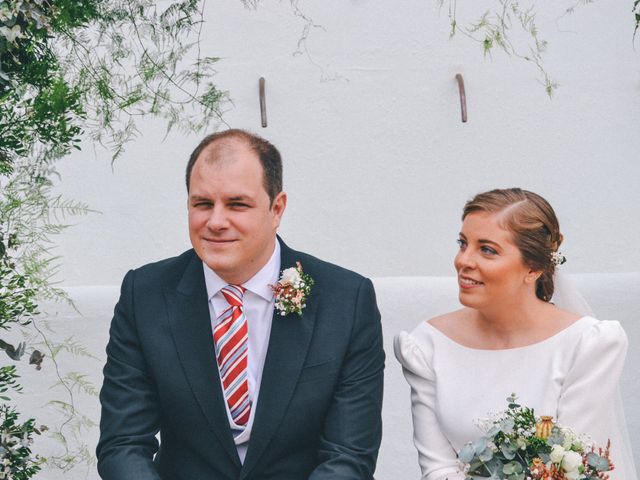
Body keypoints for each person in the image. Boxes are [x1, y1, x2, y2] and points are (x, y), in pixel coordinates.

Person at [96, 129, 385, 480]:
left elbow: (348, 456)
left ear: (276, 208)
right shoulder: (145, 296)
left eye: (237, 204)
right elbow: (124, 444)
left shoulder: (346, 301)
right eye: (202, 204)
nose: (216, 222)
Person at [394, 188, 636, 480]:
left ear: (533, 267)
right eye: (462, 243)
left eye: (487, 250)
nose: (463, 261)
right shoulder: (427, 346)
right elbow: (437, 469)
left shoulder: (588, 345)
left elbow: (573, 466)